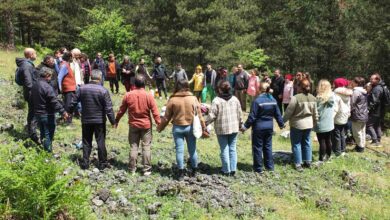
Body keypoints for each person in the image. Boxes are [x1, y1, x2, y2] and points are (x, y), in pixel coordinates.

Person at [157, 79, 205, 181]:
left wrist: (160, 128)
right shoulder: (193, 98)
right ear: (187, 86)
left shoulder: (172, 99)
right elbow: (200, 115)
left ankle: (181, 173)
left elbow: (166, 118)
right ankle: (195, 170)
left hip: (178, 128)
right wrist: (204, 127)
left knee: (179, 150)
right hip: (191, 127)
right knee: (192, 150)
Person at [70, 69, 116, 170]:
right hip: (99, 120)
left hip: (86, 119)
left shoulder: (82, 89)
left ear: (91, 77)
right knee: (100, 141)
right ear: (100, 78)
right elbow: (109, 108)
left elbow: (73, 102)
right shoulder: (103, 90)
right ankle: (103, 163)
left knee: (86, 141)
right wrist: (113, 121)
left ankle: (85, 163)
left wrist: (68, 112)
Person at [115, 75, 161, 176]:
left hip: (133, 125)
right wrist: (159, 124)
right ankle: (147, 169)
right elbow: (155, 112)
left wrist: (116, 120)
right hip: (146, 126)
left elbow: (121, 110)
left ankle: (132, 169)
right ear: (144, 84)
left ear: (134, 84)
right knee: (146, 147)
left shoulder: (128, 95)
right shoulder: (149, 95)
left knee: (133, 146)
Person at [242, 82, 284, 174]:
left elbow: (252, 116)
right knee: (268, 147)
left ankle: (258, 168)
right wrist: (281, 124)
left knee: (257, 147)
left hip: (258, 128)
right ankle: (270, 167)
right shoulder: (273, 100)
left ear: (259, 89)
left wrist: (245, 127)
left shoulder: (257, 101)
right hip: (269, 127)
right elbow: (278, 114)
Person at [206, 81, 242, 176]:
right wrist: (240, 124)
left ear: (220, 89)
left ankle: (226, 170)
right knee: (232, 148)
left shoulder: (216, 100)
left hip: (222, 129)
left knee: (224, 149)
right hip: (234, 128)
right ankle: (233, 169)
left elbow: (212, 115)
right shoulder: (235, 99)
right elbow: (239, 113)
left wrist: (204, 123)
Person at [283, 79, 318, 171]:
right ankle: (308, 161)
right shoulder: (313, 98)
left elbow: (288, 112)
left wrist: (282, 121)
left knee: (296, 144)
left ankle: (298, 163)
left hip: (297, 124)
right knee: (307, 142)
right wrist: (314, 122)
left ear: (299, 87)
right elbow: (315, 113)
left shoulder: (296, 98)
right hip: (308, 124)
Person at [31, 67, 68, 152]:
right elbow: (54, 101)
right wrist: (63, 112)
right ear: (47, 75)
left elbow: (31, 99)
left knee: (43, 132)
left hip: (38, 113)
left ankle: (44, 151)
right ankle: (47, 153)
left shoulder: (35, 85)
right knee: (48, 134)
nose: (50, 78)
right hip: (47, 114)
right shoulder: (47, 87)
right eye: (50, 76)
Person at [15, 48, 39, 143]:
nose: (36, 55)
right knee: (33, 113)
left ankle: (32, 132)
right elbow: (29, 82)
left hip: (30, 92)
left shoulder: (27, 65)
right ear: (31, 55)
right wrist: (37, 91)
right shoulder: (26, 66)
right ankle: (33, 135)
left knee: (33, 112)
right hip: (31, 93)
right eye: (35, 53)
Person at [314, 80, 336, 162]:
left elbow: (316, 112)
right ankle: (328, 156)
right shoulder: (331, 98)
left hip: (321, 123)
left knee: (322, 141)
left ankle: (321, 159)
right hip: (329, 124)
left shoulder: (318, 98)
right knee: (328, 140)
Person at [332, 78, 352, 156]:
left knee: (336, 134)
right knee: (342, 133)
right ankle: (343, 150)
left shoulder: (336, 94)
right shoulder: (348, 94)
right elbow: (349, 105)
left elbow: (335, 107)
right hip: (345, 116)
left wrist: (331, 117)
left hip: (337, 116)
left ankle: (337, 151)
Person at [350, 77, 368, 152]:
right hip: (364, 114)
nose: (352, 83)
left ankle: (360, 147)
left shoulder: (356, 92)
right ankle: (361, 145)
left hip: (357, 115)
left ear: (356, 83)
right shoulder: (364, 91)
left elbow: (351, 103)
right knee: (362, 131)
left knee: (356, 132)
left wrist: (349, 111)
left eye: (353, 82)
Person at [367, 73, 386, 146]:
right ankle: (378, 139)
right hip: (380, 110)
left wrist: (368, 109)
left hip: (375, 110)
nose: (370, 80)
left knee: (369, 125)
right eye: (370, 79)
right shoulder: (380, 87)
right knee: (377, 125)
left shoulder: (377, 89)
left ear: (377, 79)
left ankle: (375, 141)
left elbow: (374, 101)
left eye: (372, 79)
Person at [58, 52, 76, 124]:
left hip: (71, 88)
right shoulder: (64, 66)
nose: (73, 58)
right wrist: (60, 89)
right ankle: (67, 122)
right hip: (68, 89)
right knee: (68, 105)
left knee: (69, 105)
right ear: (70, 57)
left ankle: (68, 120)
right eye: (73, 57)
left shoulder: (67, 65)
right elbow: (59, 77)